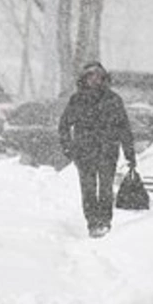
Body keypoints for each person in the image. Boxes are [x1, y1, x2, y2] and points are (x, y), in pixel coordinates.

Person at [58, 61, 136, 237]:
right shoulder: (76, 100)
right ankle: (92, 222)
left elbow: (124, 128)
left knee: (106, 189)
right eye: (90, 76)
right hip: (83, 153)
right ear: (84, 78)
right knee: (88, 189)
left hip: (108, 151)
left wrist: (129, 153)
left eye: (98, 76)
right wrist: (68, 148)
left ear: (104, 78)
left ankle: (105, 221)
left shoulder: (113, 100)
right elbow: (64, 125)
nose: (95, 80)